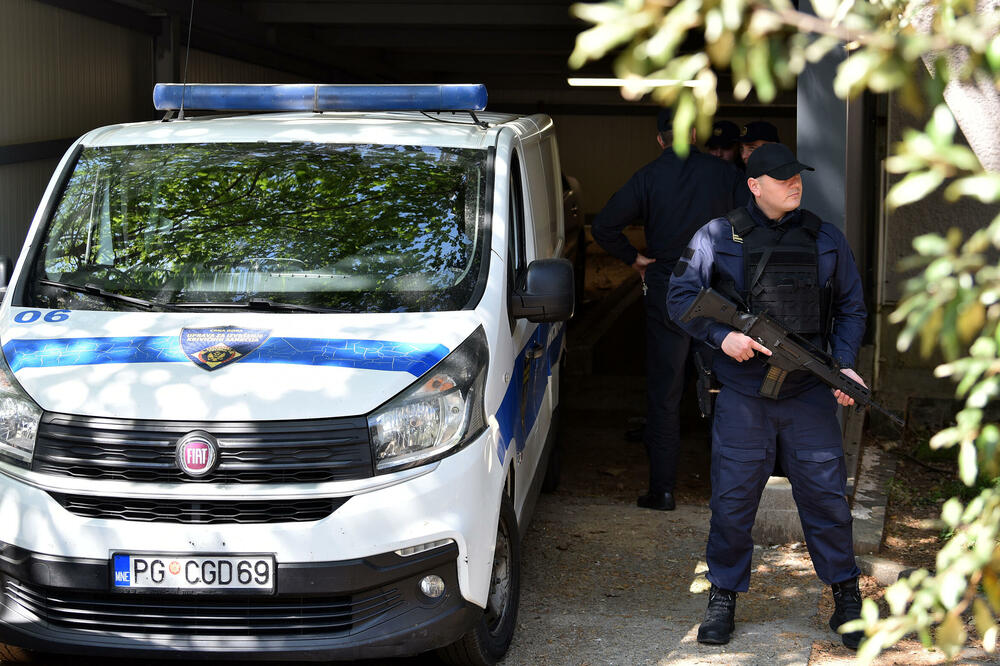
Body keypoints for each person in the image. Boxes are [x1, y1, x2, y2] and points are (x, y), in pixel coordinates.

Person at [666, 143, 868, 649]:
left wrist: (842, 365)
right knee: (733, 503)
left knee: (826, 500)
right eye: (781, 179)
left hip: (808, 395)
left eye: (797, 177)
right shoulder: (717, 236)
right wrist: (721, 338)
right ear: (754, 186)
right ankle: (723, 596)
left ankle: (845, 594)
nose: (794, 185)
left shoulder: (825, 238)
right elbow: (681, 299)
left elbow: (851, 308)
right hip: (743, 395)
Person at [591, 109, 747, 512]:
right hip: (718, 290)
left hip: (669, 287)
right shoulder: (725, 175)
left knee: (665, 393)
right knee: (725, 387)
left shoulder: (647, 177)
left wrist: (636, 259)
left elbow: (604, 226)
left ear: (660, 139)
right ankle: (729, 491)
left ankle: (662, 491)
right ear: (693, 134)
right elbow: (752, 224)